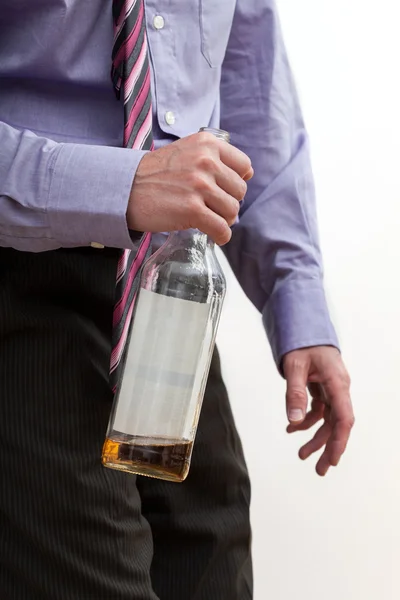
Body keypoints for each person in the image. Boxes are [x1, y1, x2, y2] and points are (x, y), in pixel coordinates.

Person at [0, 0, 354, 598]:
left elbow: (248, 80)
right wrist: (119, 184)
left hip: (168, 293)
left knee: (212, 567)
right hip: (22, 281)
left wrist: (296, 296)